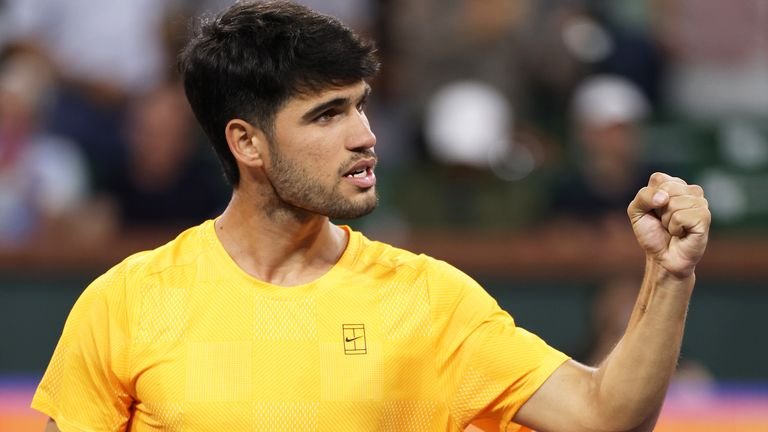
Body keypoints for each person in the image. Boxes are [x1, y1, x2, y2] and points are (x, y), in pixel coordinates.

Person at [31, 2, 712, 431]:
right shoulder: (126, 303)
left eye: (359, 105)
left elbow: (605, 418)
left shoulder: (430, 301)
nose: (364, 135)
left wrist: (669, 272)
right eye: (327, 114)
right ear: (247, 143)